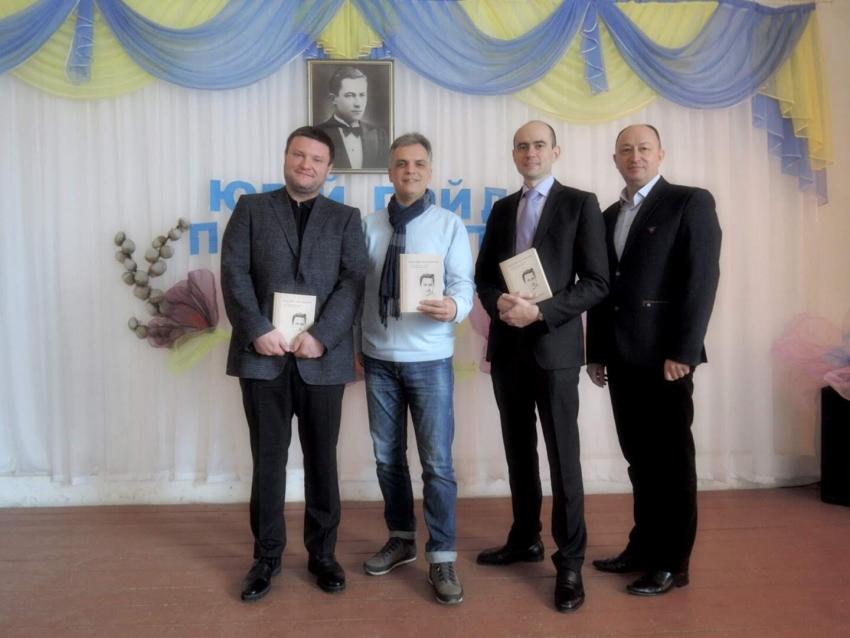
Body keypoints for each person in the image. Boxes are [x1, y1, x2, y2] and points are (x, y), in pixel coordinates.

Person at [221, 125, 367, 602]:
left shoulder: (346, 218)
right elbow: (234, 273)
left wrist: (322, 337)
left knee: (322, 460)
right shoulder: (250, 208)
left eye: (317, 159)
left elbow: (353, 282)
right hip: (263, 357)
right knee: (268, 461)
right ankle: (266, 558)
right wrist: (256, 329)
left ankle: (322, 555)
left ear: (329, 168)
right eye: (299, 155)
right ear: (286, 157)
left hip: (322, 359)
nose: (307, 165)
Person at [474, 120, 609, 612]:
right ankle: (524, 538)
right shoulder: (502, 208)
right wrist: (500, 304)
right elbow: (484, 277)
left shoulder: (580, 204)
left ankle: (569, 561)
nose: (530, 152)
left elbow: (596, 282)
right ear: (514, 154)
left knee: (562, 458)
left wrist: (541, 312)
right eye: (521, 146)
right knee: (518, 451)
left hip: (555, 350)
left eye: (538, 145)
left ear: (556, 151)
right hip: (508, 348)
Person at [586, 124, 721, 596]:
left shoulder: (689, 202)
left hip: (666, 359)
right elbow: (603, 289)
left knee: (672, 463)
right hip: (621, 357)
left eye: (644, 148)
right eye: (626, 149)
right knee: (638, 460)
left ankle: (672, 561)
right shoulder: (607, 215)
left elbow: (702, 279)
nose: (635, 156)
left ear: (661, 153)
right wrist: (596, 352)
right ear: (615, 159)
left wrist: (684, 351)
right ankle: (642, 547)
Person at [359, 133, 474, 605]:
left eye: (419, 164)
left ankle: (442, 555)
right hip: (378, 360)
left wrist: (454, 306)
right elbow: (353, 289)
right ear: (389, 171)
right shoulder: (368, 225)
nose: (410, 171)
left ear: (430, 171)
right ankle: (402, 538)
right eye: (402, 163)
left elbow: (463, 284)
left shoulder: (448, 224)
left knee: (437, 464)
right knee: (387, 459)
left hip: (430, 360)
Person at [317, 66, 389, 170]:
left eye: (362, 95)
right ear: (333, 99)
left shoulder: (378, 135)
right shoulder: (318, 134)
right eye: (350, 95)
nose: (358, 104)